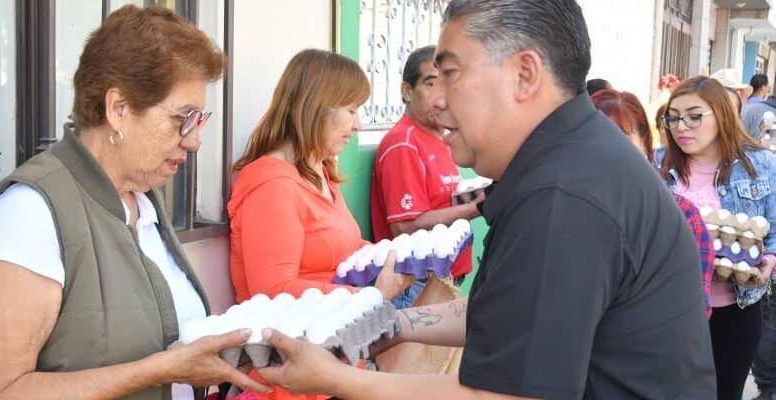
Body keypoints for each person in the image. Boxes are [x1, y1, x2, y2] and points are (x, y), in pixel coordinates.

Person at [256, 1, 716, 399]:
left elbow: (504, 394)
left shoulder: (564, 197)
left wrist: (339, 380)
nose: (438, 100)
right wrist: (393, 326)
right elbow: (515, 314)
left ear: (524, 75)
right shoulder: (571, 163)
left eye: (450, 74)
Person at [0, 6, 270, 400]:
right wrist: (157, 370)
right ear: (118, 109)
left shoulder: (143, 199)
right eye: (183, 119)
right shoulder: (30, 213)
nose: (194, 141)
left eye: (200, 120)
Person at [228, 49, 413, 400]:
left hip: (331, 365)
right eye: (352, 110)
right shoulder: (272, 185)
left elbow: (341, 250)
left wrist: (391, 257)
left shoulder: (319, 172)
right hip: (288, 381)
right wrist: (373, 296)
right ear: (318, 106)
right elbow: (274, 288)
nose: (358, 125)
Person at [660, 76, 776, 400]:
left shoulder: (762, 166)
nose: (681, 126)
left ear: (722, 114)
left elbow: (775, 233)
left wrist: (769, 262)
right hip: (674, 312)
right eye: (673, 117)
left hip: (734, 313)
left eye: (694, 116)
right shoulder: (661, 165)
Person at [369, 45, 482, 308]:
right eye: (431, 84)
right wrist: (476, 208)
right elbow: (405, 226)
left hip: (442, 278)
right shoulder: (403, 143)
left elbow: (439, 202)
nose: (441, 98)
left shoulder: (439, 137)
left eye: (446, 84)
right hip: (417, 283)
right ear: (407, 91)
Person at [591, 88, 714, 318]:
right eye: (592, 137)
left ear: (644, 142)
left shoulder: (684, 215)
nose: (604, 148)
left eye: (619, 135)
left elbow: (695, 310)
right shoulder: (561, 209)